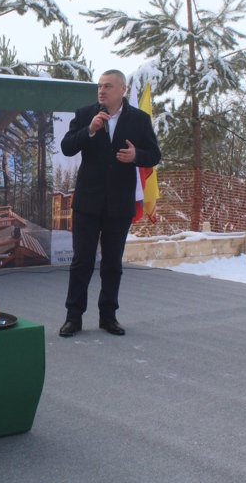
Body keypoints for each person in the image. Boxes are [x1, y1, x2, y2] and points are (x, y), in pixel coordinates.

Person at [58, 69, 161, 337]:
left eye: (108, 86)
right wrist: (89, 131)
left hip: (119, 203)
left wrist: (137, 155)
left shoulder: (139, 119)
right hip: (87, 202)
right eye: (99, 87)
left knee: (113, 263)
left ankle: (108, 316)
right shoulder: (84, 115)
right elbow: (67, 146)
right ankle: (74, 317)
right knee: (81, 261)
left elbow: (154, 154)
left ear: (122, 89)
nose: (102, 91)